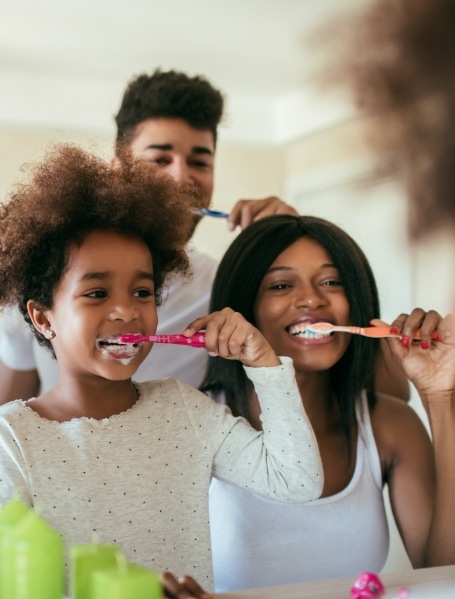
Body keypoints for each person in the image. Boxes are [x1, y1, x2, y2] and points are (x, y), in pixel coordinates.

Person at [0, 146, 323, 597]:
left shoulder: (184, 410)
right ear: (43, 317)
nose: (125, 311)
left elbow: (299, 482)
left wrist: (264, 364)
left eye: (143, 291)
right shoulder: (12, 441)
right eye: (96, 293)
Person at [0, 68, 409, 404]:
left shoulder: (224, 288)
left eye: (199, 160)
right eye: (160, 158)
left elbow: (378, 397)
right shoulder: (42, 280)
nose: (181, 177)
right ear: (117, 170)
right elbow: (10, 406)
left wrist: (287, 245)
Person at [201, 214, 454, 591]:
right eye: (282, 285)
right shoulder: (196, 421)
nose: (312, 299)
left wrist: (440, 396)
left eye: (332, 282)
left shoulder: (390, 427)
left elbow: (445, 572)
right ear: (243, 307)